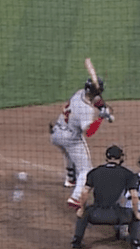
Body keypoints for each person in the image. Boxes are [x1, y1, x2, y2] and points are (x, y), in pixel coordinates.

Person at [50, 76, 115, 208]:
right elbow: (89, 132)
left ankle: (70, 179)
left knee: (68, 154)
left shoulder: (79, 93)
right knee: (86, 170)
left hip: (56, 134)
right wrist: (100, 118)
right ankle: (76, 198)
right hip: (70, 138)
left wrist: (102, 107)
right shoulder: (86, 110)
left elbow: (95, 99)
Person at [71, 145, 140, 249]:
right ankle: (135, 243)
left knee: (83, 213)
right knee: (137, 217)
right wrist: (136, 212)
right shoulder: (128, 174)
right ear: (121, 158)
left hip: (95, 215)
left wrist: (81, 209)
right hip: (117, 216)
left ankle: (76, 241)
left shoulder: (94, 172)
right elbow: (134, 196)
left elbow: (84, 193)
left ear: (106, 158)